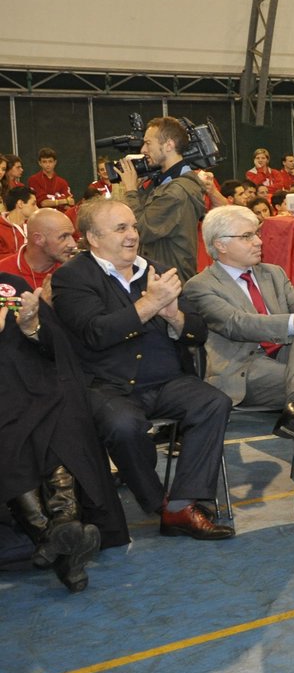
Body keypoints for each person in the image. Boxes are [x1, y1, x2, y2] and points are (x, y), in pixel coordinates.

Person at [49, 199, 234, 538]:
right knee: (123, 425)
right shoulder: (71, 278)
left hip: (166, 380)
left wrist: (173, 316)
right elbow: (96, 332)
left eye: (133, 226)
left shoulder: (157, 269)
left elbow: (198, 330)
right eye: (121, 229)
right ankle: (160, 505)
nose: (132, 235)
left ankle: (182, 504)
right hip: (107, 386)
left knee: (214, 402)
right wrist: (150, 303)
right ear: (93, 237)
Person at [183, 206, 294, 526]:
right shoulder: (200, 286)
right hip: (243, 371)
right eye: (247, 236)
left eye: (257, 233)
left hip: (287, 364)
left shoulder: (273, 273)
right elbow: (237, 324)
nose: (258, 241)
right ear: (220, 244)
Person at [1, 271, 126, 592]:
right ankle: (59, 534)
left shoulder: (9, 284)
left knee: (59, 408)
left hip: (33, 385)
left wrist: (32, 327)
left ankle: (59, 530)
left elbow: (54, 344)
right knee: (12, 424)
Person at [115, 115, 212, 280]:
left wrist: (131, 190)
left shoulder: (176, 191)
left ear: (169, 145)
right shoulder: (164, 182)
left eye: (148, 143)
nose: (143, 150)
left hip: (169, 281)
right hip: (160, 276)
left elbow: (140, 231)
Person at [0, 208, 77, 290]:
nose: (73, 244)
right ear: (38, 239)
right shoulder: (3, 271)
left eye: (71, 235)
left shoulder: (74, 273)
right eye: (63, 237)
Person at [28, 147, 74, 212]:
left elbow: (71, 203)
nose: (48, 165)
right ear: (39, 163)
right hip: (41, 217)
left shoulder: (62, 182)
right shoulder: (34, 179)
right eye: (44, 162)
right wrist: (64, 201)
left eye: (50, 161)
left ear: (55, 162)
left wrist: (56, 202)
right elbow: (43, 203)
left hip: (60, 216)